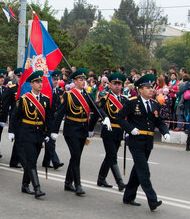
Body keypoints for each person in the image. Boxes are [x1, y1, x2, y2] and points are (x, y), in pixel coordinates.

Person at [116, 74, 170, 211]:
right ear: (140, 90)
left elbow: (159, 121)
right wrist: (130, 128)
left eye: (151, 87)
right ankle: (152, 200)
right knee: (144, 171)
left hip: (148, 142)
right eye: (147, 88)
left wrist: (165, 132)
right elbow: (120, 118)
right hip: (135, 140)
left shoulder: (154, 104)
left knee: (137, 170)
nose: (151, 90)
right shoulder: (132, 102)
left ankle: (128, 196)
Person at [51, 68, 108, 196]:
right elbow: (60, 114)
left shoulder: (87, 95)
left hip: (83, 129)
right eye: (81, 80)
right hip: (71, 129)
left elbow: (96, 108)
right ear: (74, 81)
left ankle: (67, 182)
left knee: (76, 157)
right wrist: (54, 131)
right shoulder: (68, 95)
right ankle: (78, 185)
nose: (83, 82)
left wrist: (106, 118)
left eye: (84, 80)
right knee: (76, 156)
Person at [8, 70, 53, 198]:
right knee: (31, 160)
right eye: (37, 82)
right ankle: (37, 188)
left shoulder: (45, 99)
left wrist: (49, 133)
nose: (40, 84)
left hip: (39, 134)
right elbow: (15, 116)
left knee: (31, 161)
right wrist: (12, 131)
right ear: (31, 84)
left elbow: (49, 119)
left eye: (41, 82)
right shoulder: (24, 99)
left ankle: (24, 185)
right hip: (26, 133)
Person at [92, 72, 127, 191]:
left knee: (109, 156)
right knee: (112, 156)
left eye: (119, 84)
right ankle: (120, 182)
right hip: (108, 130)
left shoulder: (124, 99)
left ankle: (101, 178)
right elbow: (97, 109)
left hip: (119, 131)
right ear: (110, 85)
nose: (117, 86)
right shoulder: (105, 97)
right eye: (115, 84)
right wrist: (90, 128)